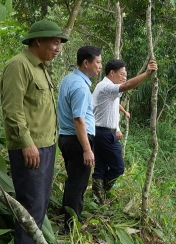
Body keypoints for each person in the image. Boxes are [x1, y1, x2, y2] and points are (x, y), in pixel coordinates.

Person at [0, 19, 68, 244]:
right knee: (30, 209)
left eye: (59, 44)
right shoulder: (19, 65)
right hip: (30, 148)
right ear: (39, 41)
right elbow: (13, 110)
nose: (58, 49)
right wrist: (27, 144)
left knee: (39, 207)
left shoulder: (41, 69)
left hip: (46, 146)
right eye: (55, 43)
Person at [92, 58, 158, 205]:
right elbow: (127, 85)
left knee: (101, 166)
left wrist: (118, 128)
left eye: (125, 75)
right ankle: (101, 190)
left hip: (102, 131)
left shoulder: (108, 88)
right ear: (112, 73)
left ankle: (98, 200)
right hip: (104, 133)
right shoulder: (106, 87)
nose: (124, 77)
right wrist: (147, 73)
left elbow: (112, 108)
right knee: (118, 167)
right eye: (122, 74)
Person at [57, 46, 102, 231]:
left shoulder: (69, 80)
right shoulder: (80, 87)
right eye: (97, 62)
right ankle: (71, 227)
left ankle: (66, 216)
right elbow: (78, 119)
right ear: (86, 63)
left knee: (73, 180)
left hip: (67, 138)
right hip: (77, 141)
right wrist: (87, 149)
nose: (100, 66)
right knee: (78, 184)